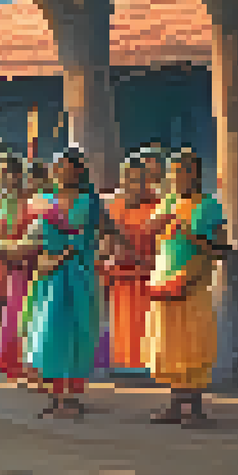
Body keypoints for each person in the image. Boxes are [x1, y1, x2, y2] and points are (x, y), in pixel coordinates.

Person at [0, 149, 104, 419]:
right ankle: (58, 397)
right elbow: (35, 236)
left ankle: (70, 398)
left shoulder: (88, 202)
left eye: (66, 166)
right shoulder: (45, 202)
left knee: (75, 333)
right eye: (57, 166)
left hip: (77, 276)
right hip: (49, 278)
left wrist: (57, 258)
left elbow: (86, 238)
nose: (60, 171)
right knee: (49, 335)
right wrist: (9, 248)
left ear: (78, 171)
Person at [142, 149, 230, 428]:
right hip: (165, 280)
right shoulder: (168, 202)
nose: (179, 177)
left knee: (193, 344)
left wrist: (193, 235)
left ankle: (196, 409)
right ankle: (175, 405)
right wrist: (160, 220)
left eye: (184, 171)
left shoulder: (209, 205)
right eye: (174, 172)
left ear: (197, 174)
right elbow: (149, 230)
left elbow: (222, 249)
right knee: (168, 344)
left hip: (193, 283)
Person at [102, 151, 162, 376]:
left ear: (148, 181)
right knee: (122, 325)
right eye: (128, 179)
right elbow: (105, 244)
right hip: (120, 277)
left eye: (138, 180)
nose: (132, 185)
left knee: (145, 325)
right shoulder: (114, 206)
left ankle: (146, 367)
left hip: (147, 276)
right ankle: (123, 367)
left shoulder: (159, 206)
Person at [0, 154, 31, 382]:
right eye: (4, 172)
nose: (9, 177)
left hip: (21, 262)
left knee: (19, 311)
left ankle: (20, 360)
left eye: (13, 172)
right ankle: (2, 358)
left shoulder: (28, 201)